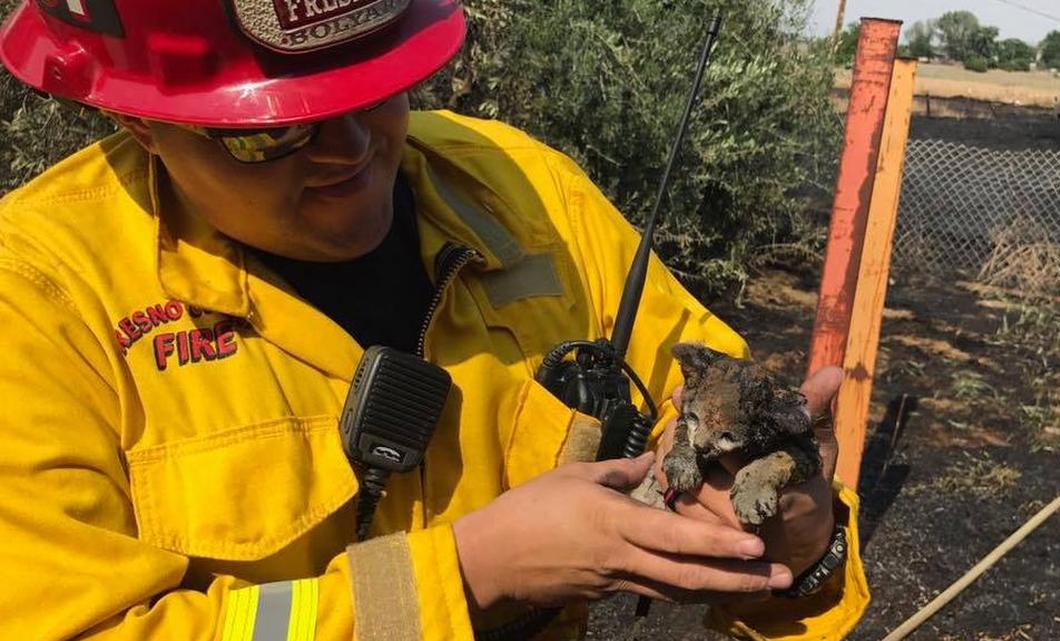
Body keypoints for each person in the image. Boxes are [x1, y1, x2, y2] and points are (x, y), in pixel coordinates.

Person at [0, 1, 869, 640]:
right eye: (272, 132)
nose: (353, 151)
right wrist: (466, 577)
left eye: (376, 86)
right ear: (138, 122)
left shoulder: (537, 202)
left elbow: (769, 515)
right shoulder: (39, 304)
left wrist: (800, 542)